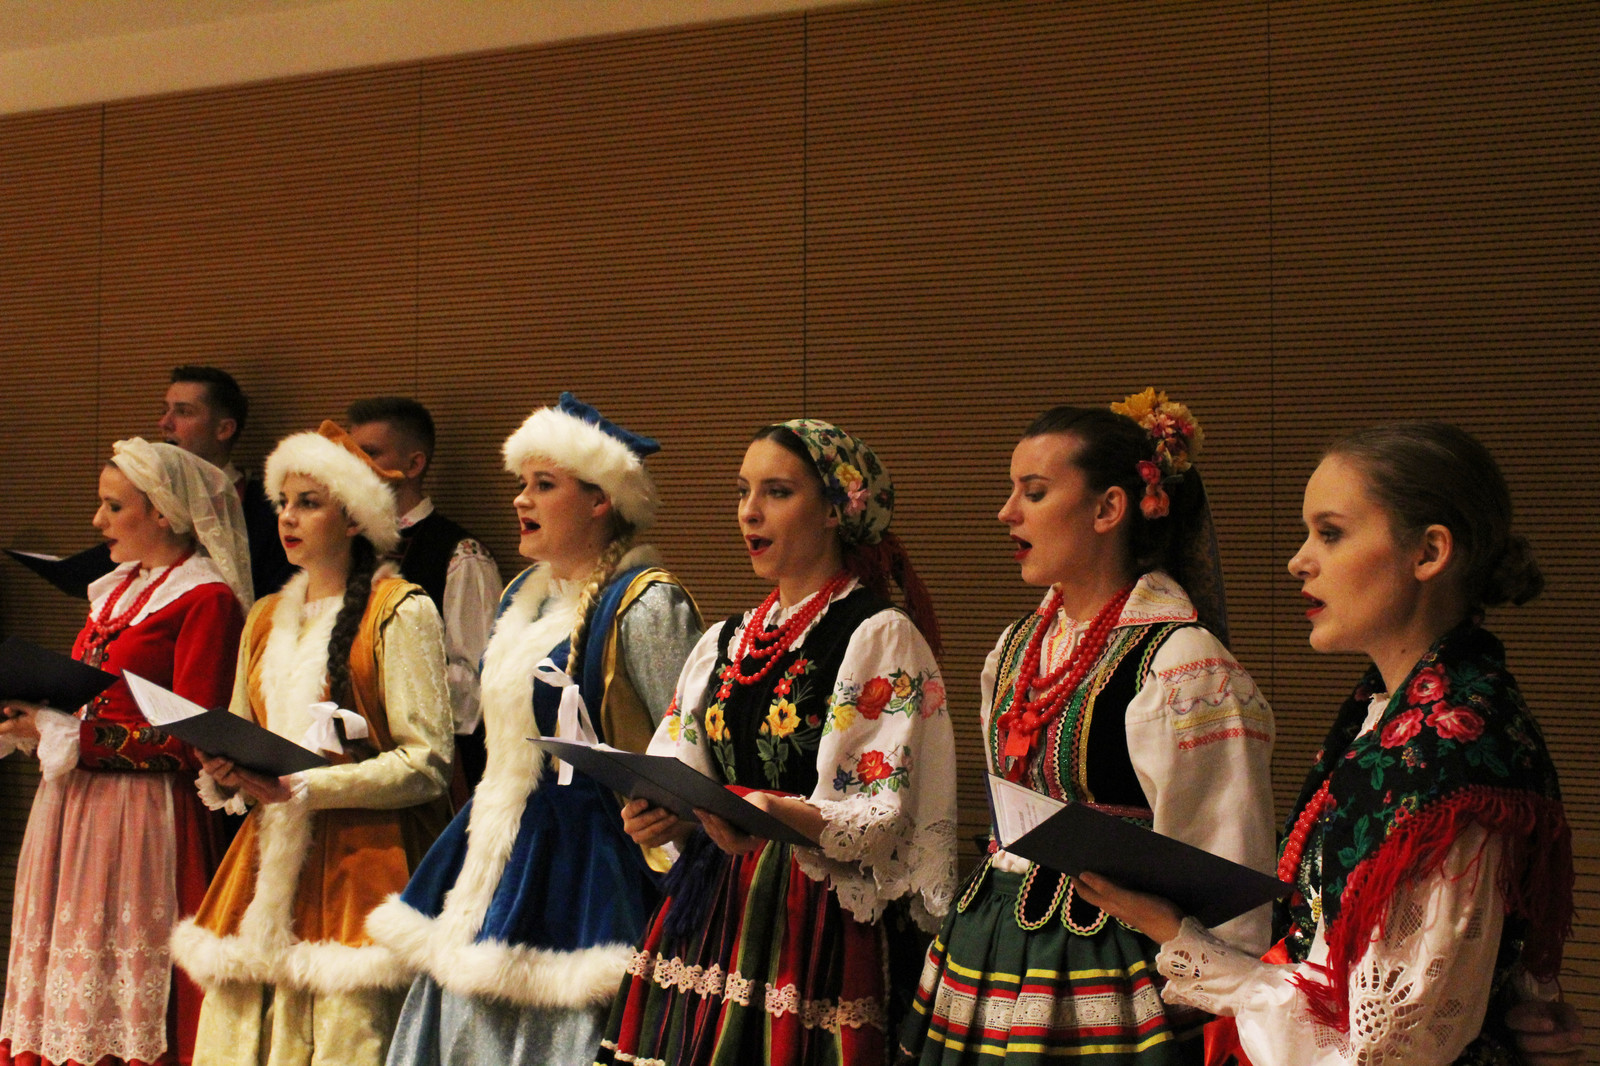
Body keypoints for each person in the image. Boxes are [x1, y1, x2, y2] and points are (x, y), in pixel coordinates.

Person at [1078, 422, 1575, 1066]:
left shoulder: (1448, 746)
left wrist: (1183, 940)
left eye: (1331, 533)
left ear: (1429, 552)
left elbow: (1382, 1047)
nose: (1299, 560)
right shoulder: (1390, 711)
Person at [898, 391, 1277, 1066]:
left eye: (1034, 492)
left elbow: (1227, 870)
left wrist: (1216, 997)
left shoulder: (1182, 664)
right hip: (993, 940)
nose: (1007, 512)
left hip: (1112, 959)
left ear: (1108, 509)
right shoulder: (1016, 647)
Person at [597, 418, 958, 1066]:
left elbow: (881, 813)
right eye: (743, 491)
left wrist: (778, 813)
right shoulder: (728, 639)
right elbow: (681, 755)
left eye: (777, 492)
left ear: (835, 510)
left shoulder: (876, 634)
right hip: (717, 901)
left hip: (812, 915)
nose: (749, 511)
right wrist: (663, 811)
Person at [365, 392, 703, 1066]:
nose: (522, 499)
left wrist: (674, 814)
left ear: (601, 499)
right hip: (492, 846)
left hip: (585, 868)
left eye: (544, 485)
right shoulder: (524, 597)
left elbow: (693, 753)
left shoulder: (646, 603)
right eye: (523, 483)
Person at [170, 420, 454, 1066]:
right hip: (264, 865)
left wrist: (306, 785)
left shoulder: (400, 610)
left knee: (346, 1038)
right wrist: (225, 768)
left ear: (353, 518)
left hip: (360, 865)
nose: (288, 517)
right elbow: (241, 727)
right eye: (283, 503)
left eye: (309, 502)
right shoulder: (265, 617)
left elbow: (428, 763)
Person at [0, 439, 251, 1066]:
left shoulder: (205, 598)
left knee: (124, 993)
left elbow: (193, 738)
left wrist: (71, 736)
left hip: (139, 819)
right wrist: (33, 716)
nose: (98, 521)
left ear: (162, 512)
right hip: (73, 809)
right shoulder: (117, 590)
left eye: (114, 507)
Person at [347, 397, 501, 795]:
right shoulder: (343, 546)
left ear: (413, 465)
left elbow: (475, 685)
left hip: (433, 768)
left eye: (370, 454)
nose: (353, 465)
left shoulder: (460, 553)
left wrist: (377, 692)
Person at [161, 364, 295, 599]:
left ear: (224, 429)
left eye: (183, 412)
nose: (164, 422)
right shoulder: (150, 499)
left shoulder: (270, 512)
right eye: (166, 410)